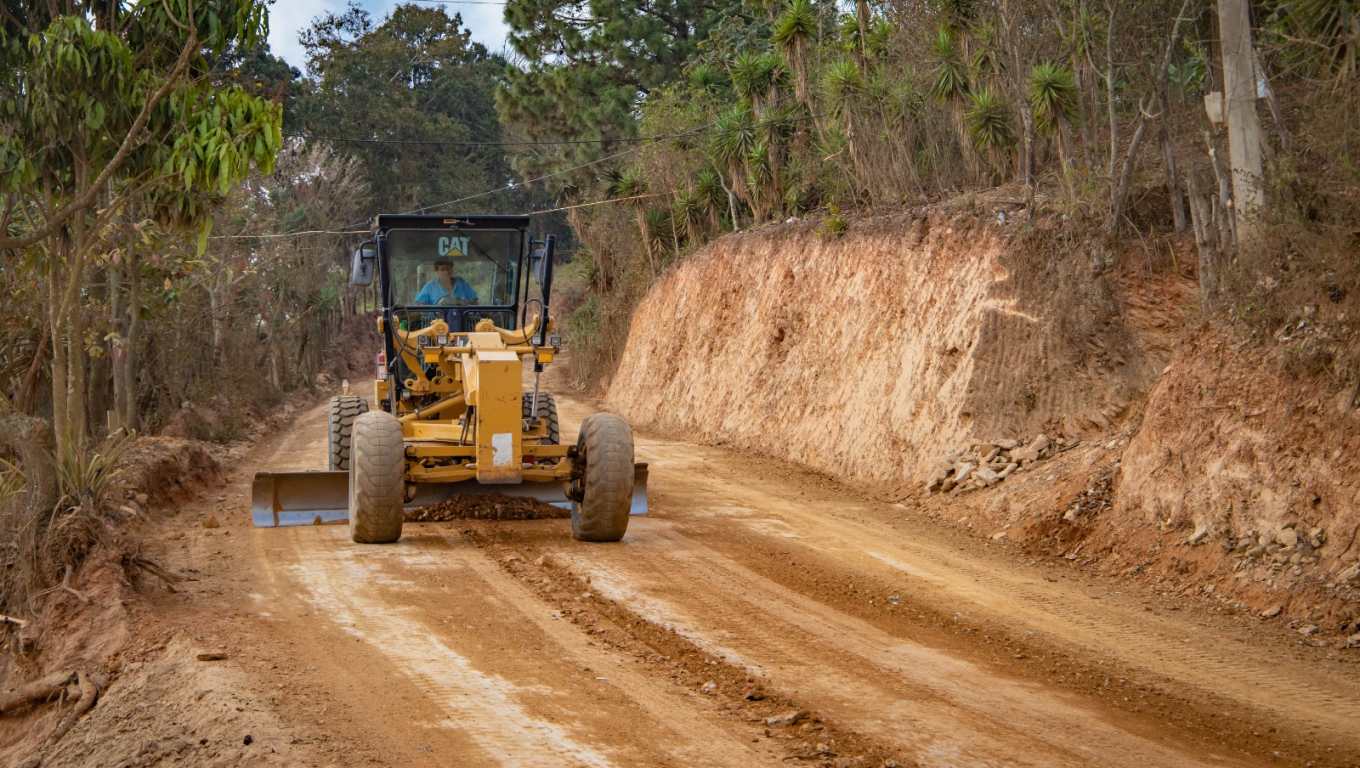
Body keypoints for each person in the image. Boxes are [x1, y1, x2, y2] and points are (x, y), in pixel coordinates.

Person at [414, 256, 478, 305]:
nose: (446, 272)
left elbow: (475, 302)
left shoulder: (462, 284)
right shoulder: (429, 287)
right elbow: (419, 305)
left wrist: (461, 302)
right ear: (437, 271)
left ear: (452, 269)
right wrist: (437, 307)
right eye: (442, 269)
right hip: (438, 318)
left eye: (448, 269)